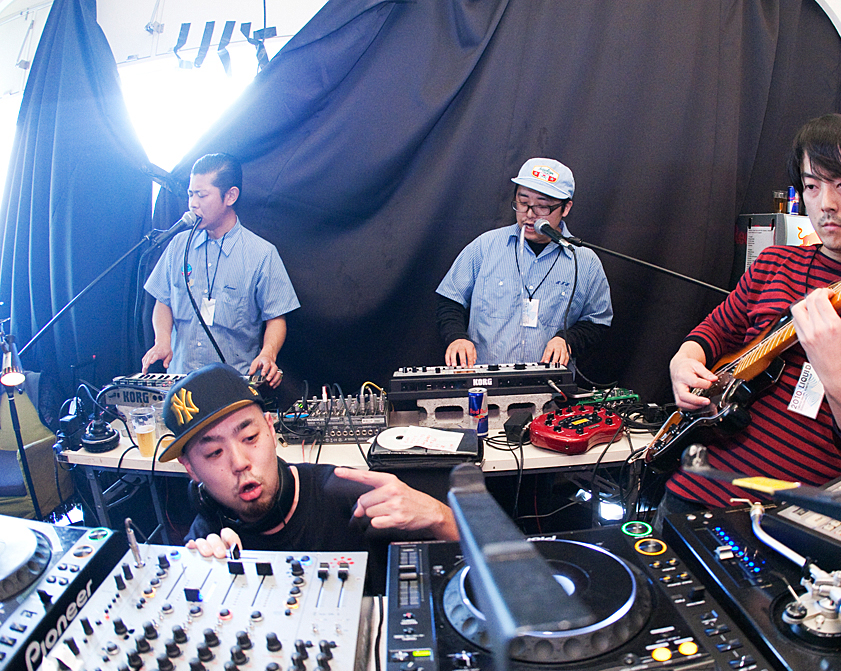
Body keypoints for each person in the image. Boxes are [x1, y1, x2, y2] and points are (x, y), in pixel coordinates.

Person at [658, 114, 841, 516]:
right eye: (812, 186)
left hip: (787, 520)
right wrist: (683, 360)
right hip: (690, 491)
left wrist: (839, 379)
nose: (826, 204)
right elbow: (714, 331)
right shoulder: (775, 264)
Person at [159, 363, 458, 592]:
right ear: (190, 468)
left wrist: (440, 516)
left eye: (250, 437)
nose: (239, 463)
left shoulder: (349, 495)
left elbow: (484, 562)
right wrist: (205, 581)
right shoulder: (208, 531)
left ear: (270, 429)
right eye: (214, 453)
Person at [436, 158, 613, 367]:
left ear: (565, 208)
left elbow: (597, 322)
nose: (529, 215)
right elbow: (450, 300)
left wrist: (567, 340)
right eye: (523, 203)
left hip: (549, 382)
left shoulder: (585, 262)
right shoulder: (485, 246)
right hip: (484, 378)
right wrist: (456, 337)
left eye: (543, 207)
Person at [143, 154, 299, 388]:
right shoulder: (178, 245)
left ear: (230, 196)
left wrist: (268, 353)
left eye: (202, 195)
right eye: (190, 194)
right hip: (180, 386)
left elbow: (276, 318)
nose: (193, 203)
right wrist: (162, 340)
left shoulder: (262, 254)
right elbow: (163, 301)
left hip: (234, 390)